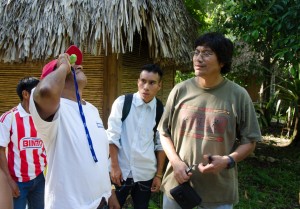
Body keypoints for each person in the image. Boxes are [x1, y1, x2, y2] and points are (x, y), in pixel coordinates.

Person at [158, 32, 262, 209]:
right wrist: (175, 162)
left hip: (218, 194)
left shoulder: (238, 95)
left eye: (207, 53)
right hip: (178, 188)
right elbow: (163, 131)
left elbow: (250, 141)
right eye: (197, 52)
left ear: (222, 61)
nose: (198, 58)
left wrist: (228, 160)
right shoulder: (180, 90)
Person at [29, 45, 120, 209]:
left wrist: (110, 191)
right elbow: (46, 91)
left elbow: (98, 157)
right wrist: (63, 66)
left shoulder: (92, 109)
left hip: (102, 202)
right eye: (72, 64)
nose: (77, 65)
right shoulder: (54, 111)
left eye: (77, 63)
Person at [107, 64, 166, 209]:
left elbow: (160, 144)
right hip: (119, 171)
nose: (146, 86)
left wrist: (158, 175)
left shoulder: (160, 110)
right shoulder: (123, 102)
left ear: (159, 85)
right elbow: (112, 136)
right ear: (138, 81)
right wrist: (114, 166)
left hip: (145, 173)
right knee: (112, 207)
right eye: (143, 81)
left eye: (152, 83)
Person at [0, 76, 46, 209]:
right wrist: (9, 181)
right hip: (18, 181)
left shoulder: (43, 118)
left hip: (39, 178)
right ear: (25, 94)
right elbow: (1, 150)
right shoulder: (9, 118)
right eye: (38, 91)